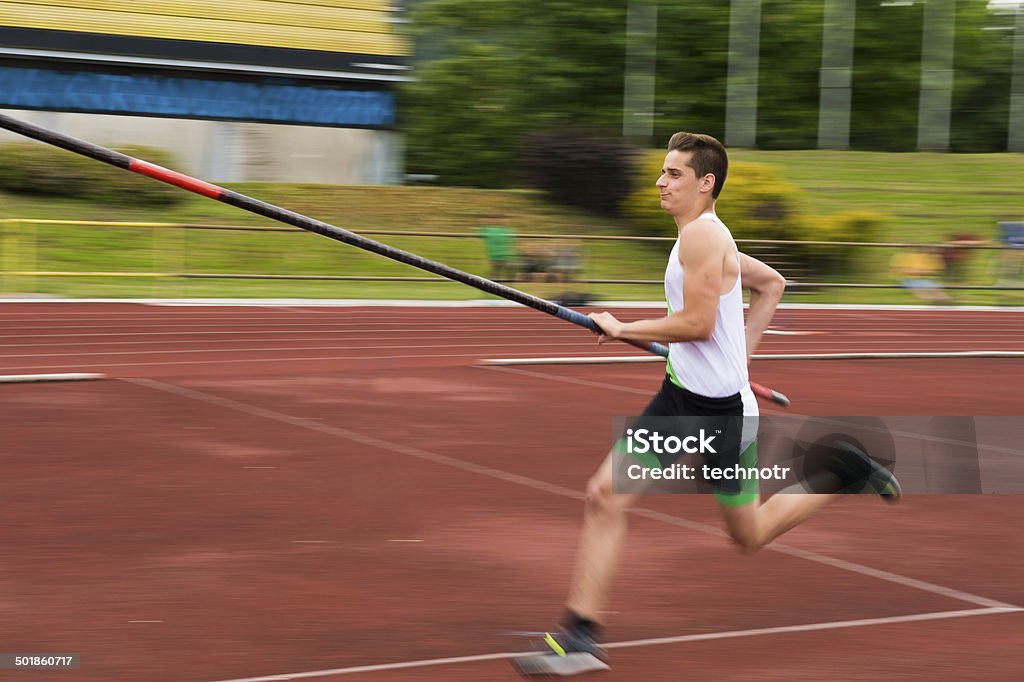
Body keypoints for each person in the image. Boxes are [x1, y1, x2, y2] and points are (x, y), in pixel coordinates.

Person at [512, 132, 902, 677]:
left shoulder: (700, 238)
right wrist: (740, 360)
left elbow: (696, 324)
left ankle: (837, 471)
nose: (661, 182)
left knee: (744, 533)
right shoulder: (708, 237)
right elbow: (771, 285)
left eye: (673, 174)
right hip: (689, 398)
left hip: (714, 413)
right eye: (663, 172)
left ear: (705, 182)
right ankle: (581, 636)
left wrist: (622, 327)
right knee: (608, 495)